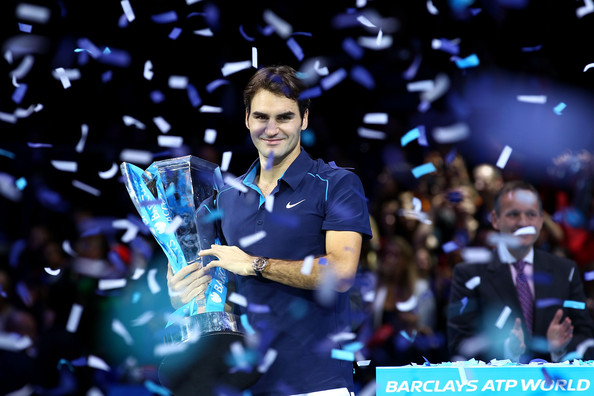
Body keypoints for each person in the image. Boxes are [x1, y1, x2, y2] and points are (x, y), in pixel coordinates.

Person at [167, 65, 372, 395]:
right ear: (247, 118)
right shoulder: (225, 198)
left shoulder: (338, 185)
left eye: (284, 117)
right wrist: (184, 294)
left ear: (304, 119)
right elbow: (221, 292)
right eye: (261, 117)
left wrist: (253, 264)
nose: (272, 129)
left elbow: (341, 272)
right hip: (246, 385)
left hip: (317, 385)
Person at [447, 180, 594, 363]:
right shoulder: (468, 274)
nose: (523, 222)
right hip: (496, 388)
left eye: (531, 215)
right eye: (513, 214)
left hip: (555, 386)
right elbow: (460, 344)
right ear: (495, 219)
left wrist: (560, 350)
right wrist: (506, 352)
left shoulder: (565, 270)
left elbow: (586, 336)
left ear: (541, 221)